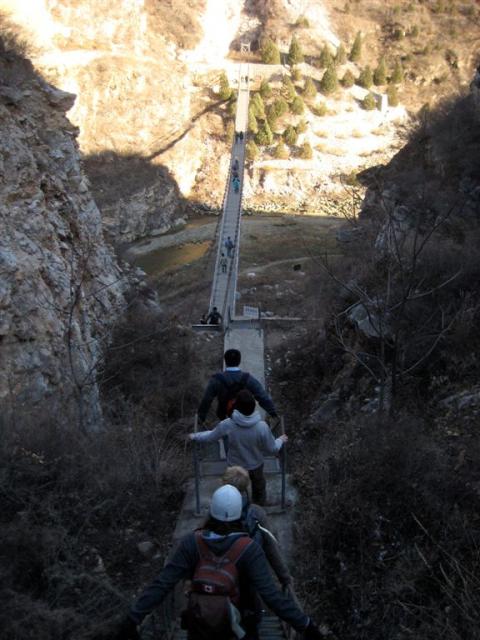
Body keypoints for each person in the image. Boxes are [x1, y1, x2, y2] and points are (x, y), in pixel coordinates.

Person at [114, 486, 323, 640]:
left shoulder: (192, 542)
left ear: (211, 511)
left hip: (200, 624)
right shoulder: (248, 549)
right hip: (239, 625)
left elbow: (163, 583)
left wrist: (133, 618)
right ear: (239, 514)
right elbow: (272, 596)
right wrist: (306, 625)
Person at [191, 390, 286, 505]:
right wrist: (280, 440)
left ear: (236, 407)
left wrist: (195, 436)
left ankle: (235, 509)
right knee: (259, 488)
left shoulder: (227, 425)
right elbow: (272, 449)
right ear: (253, 407)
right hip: (255, 465)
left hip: (235, 468)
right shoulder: (262, 427)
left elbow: (210, 437)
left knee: (233, 493)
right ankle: (259, 507)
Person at [222, 466, 291, 587]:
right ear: (246, 487)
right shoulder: (256, 513)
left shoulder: (216, 513)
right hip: (252, 569)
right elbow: (271, 549)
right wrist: (284, 577)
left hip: (225, 572)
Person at [198, 348, 278, 424]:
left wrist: (201, 417)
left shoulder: (216, 379)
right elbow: (262, 396)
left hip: (225, 418)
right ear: (239, 361)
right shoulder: (248, 379)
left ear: (225, 361)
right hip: (245, 418)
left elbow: (207, 399)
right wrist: (273, 413)